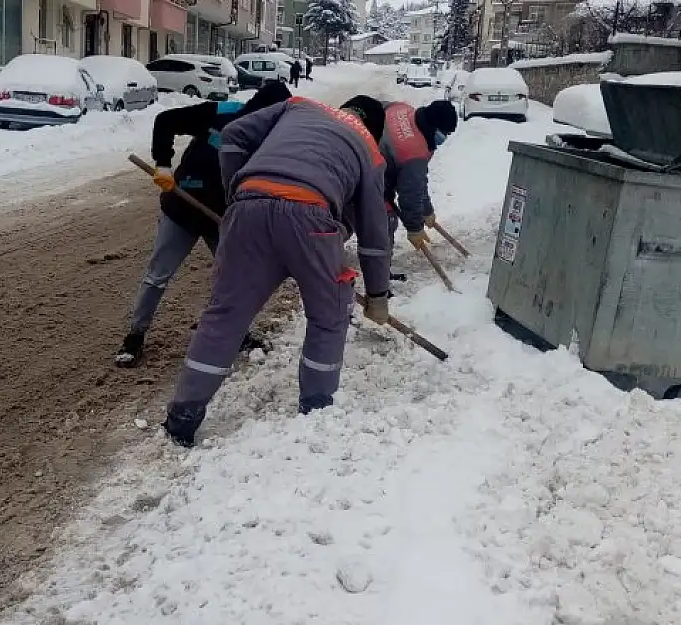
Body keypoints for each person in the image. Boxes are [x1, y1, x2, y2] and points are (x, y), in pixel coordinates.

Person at [161, 95, 392, 447]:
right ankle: (316, 410)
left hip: (249, 209)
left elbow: (235, 134)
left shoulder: (298, 105)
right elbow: (375, 235)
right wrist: (377, 295)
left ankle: (183, 415)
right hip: (311, 220)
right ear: (373, 129)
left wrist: (236, 191)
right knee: (328, 316)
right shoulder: (370, 152)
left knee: (225, 315)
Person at [114, 82, 293, 367]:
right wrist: (163, 165)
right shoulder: (221, 112)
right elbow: (165, 121)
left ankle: (238, 333)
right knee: (158, 275)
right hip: (182, 206)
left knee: (234, 279)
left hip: (222, 218)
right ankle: (135, 336)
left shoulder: (272, 139)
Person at [378, 99, 458, 281]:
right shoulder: (415, 150)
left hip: (363, 155)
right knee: (386, 222)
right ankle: (379, 280)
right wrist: (414, 228)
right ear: (434, 126)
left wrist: (426, 210)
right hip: (371, 175)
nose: (445, 137)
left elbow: (416, 181)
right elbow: (410, 191)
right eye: (445, 132)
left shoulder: (403, 109)